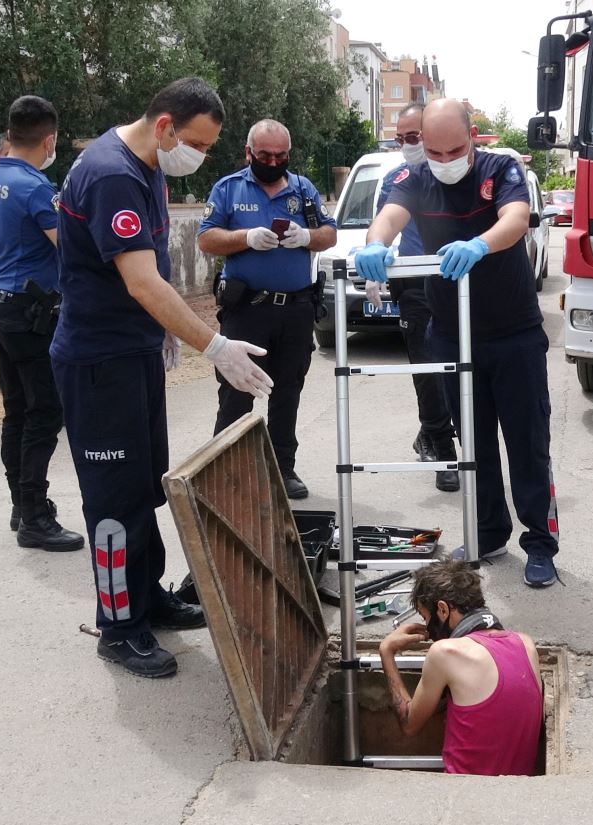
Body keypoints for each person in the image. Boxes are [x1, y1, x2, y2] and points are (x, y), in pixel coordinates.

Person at [51, 77, 273, 678]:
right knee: (114, 501)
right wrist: (214, 344)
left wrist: (167, 337)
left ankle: (146, 596)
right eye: (196, 144)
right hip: (100, 362)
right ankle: (118, 626)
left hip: (133, 354)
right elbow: (142, 282)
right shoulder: (113, 174)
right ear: (165, 126)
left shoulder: (146, 164)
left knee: (144, 483)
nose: (197, 158)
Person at [357, 98, 561, 588]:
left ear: (473, 137)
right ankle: (489, 532)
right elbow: (389, 216)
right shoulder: (414, 179)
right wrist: (374, 243)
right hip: (451, 334)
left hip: (512, 332)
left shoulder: (501, 167)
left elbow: (514, 219)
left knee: (528, 442)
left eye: (455, 149)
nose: (445, 160)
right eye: (434, 150)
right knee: (475, 444)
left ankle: (540, 544)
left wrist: (479, 244)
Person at [198, 119, 337, 500]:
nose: (273, 162)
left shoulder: (303, 189)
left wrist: (306, 236)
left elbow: (330, 232)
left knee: (287, 391)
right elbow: (207, 238)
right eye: (264, 156)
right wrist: (245, 237)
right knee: (235, 392)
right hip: (247, 310)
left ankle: (282, 469)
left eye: (280, 156)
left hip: (295, 310)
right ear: (249, 153)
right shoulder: (229, 188)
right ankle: (225, 474)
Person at [0, 97, 81, 552]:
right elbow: (70, 251)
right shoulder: (37, 188)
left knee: (17, 409)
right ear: (49, 139)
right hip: (32, 314)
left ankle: (21, 504)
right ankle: (35, 515)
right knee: (46, 412)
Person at [378, 559, 542, 776]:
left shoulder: (446, 654)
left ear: (443, 609)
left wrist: (386, 651)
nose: (428, 628)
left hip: (462, 799)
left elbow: (409, 725)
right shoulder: (526, 645)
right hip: (519, 795)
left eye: (426, 617)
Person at [376, 103, 459, 493]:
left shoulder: (456, 174)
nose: (409, 145)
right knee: (428, 371)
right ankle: (443, 449)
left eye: (416, 137)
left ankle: (434, 434)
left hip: (457, 282)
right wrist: (376, 252)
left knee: (458, 371)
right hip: (414, 287)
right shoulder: (398, 179)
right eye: (402, 138)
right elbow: (384, 226)